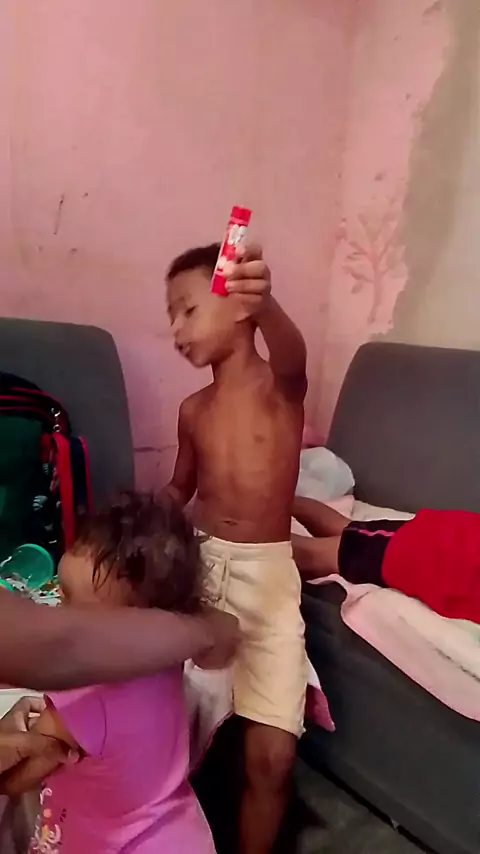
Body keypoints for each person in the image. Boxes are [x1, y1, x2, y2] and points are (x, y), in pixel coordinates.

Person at [165, 242, 308, 854]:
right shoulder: (192, 410)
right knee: (175, 734)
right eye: (170, 316)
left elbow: (294, 354)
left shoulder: (282, 387)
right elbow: (181, 487)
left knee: (273, 757)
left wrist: (265, 302)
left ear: (240, 309)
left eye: (188, 310)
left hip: (269, 584)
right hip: (202, 572)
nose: (176, 330)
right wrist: (146, 513)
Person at [0, 493, 217, 853]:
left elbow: (12, 781)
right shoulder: (165, 655)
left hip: (113, 842)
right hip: (176, 830)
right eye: (60, 593)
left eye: (73, 609)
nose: (59, 616)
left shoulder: (81, 697)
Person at [0, 557, 238, 693]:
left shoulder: (90, 695)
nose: (57, 602)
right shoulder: (164, 668)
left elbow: (57, 647)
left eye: (69, 596)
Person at [292, 495, 480, 623]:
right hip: (452, 554)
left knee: (345, 535)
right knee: (323, 553)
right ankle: (280, 500)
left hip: (453, 553)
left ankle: (283, 500)